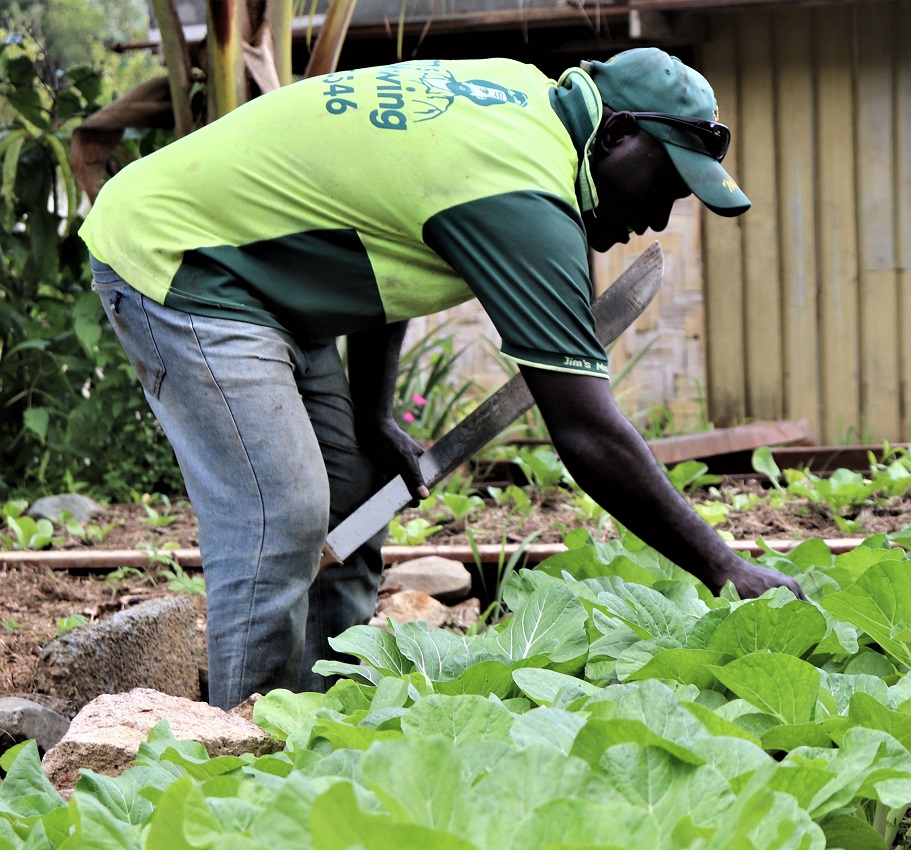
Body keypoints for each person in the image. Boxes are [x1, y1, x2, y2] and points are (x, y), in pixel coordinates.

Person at [80, 47, 804, 709]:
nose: (660, 215)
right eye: (667, 183)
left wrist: (371, 416)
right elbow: (586, 431)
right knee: (286, 512)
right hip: (181, 257)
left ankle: (322, 718)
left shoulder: (526, 101)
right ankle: (241, 753)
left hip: (272, 285)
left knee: (352, 498)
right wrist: (722, 565)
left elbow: (386, 224)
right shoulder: (523, 194)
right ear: (615, 137)